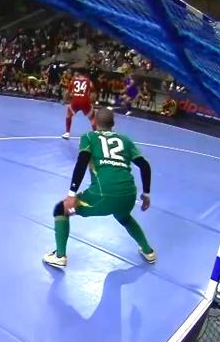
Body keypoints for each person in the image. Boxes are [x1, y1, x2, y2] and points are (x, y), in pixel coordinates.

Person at [44, 109, 155, 268]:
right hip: (130, 195)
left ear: (94, 123)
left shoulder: (89, 137)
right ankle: (148, 251)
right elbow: (144, 165)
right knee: (123, 216)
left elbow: (82, 162)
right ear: (113, 125)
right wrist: (146, 194)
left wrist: (71, 194)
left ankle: (60, 256)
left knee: (61, 210)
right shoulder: (125, 140)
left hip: (103, 195)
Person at [62, 69, 96, 139]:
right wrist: (92, 102)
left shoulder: (73, 81)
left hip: (75, 101)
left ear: (79, 73)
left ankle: (67, 133)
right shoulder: (89, 81)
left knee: (69, 115)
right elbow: (93, 94)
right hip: (85, 101)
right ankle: (96, 134)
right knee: (92, 118)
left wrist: (65, 100)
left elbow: (67, 92)